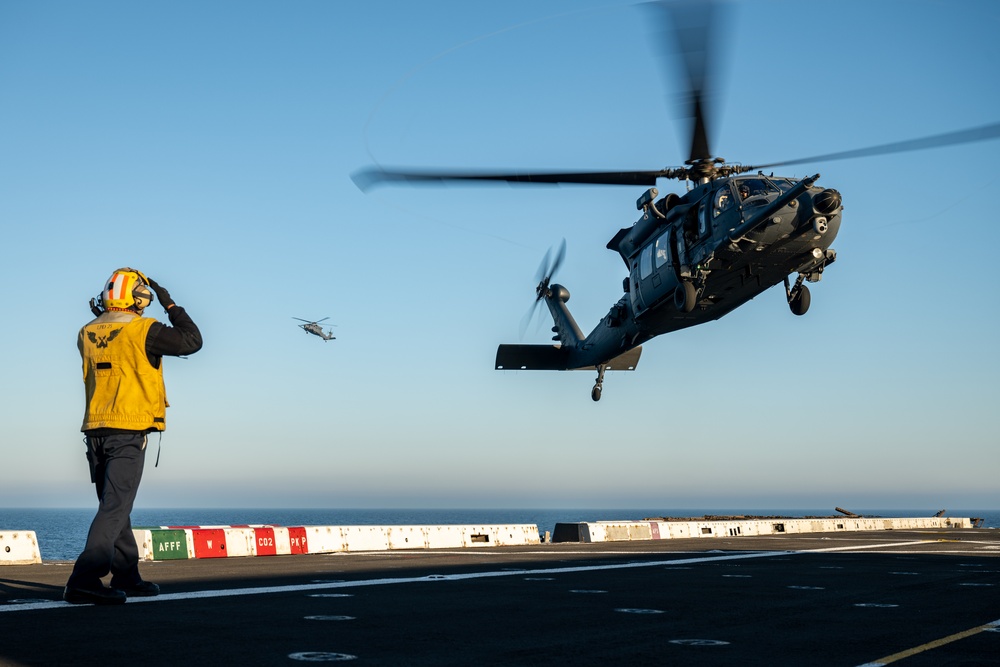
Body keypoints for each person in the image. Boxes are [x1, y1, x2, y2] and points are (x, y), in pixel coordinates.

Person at [63, 268, 202, 605]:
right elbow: (192, 341)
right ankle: (84, 579)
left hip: (95, 429)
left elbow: (109, 334)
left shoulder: (86, 331)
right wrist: (170, 304)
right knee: (115, 505)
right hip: (128, 430)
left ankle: (127, 575)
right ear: (137, 298)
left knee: (115, 505)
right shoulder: (144, 330)